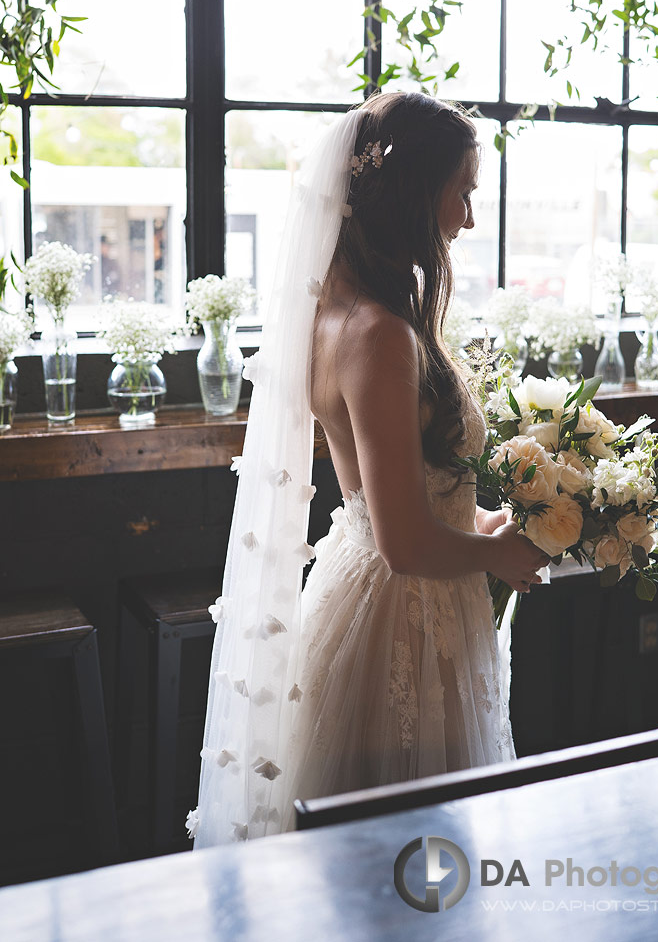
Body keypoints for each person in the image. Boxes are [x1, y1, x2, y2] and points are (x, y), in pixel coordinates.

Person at [187, 92, 548, 847]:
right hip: (402, 614)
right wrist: (498, 555)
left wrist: (479, 521)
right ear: (415, 195)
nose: (469, 219)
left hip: (379, 589)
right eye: (463, 193)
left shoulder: (339, 310)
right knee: (402, 864)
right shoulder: (378, 334)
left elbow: (400, 496)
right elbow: (405, 544)